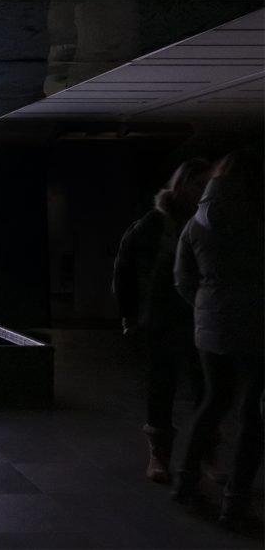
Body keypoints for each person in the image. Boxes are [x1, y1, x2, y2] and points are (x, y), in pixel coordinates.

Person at [171, 149, 264, 529]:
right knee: (254, 415)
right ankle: (234, 502)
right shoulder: (257, 216)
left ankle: (185, 480)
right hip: (259, 324)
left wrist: (205, 309)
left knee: (213, 401)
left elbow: (183, 278)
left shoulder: (196, 222)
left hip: (211, 325)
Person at [112, 158, 211, 482]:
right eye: (197, 184)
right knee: (163, 385)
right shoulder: (154, 224)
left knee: (206, 388)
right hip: (164, 318)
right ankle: (162, 453)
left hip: (200, 315)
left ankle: (206, 452)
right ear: (181, 186)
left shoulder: (207, 221)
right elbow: (125, 270)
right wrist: (130, 313)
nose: (202, 191)